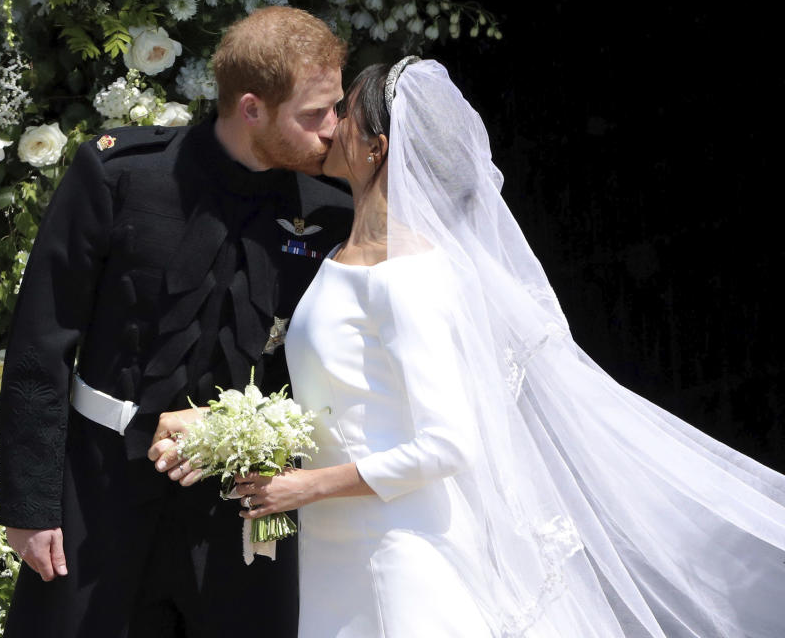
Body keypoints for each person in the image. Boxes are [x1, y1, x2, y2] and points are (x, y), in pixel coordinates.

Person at [228, 58, 785, 637]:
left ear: (377, 147)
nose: (331, 123)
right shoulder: (346, 257)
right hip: (339, 550)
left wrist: (308, 485)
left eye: (345, 114)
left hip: (400, 554)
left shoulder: (407, 272)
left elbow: (447, 444)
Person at [0, 6, 352, 638]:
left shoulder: (330, 212)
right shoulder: (121, 175)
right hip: (100, 491)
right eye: (313, 114)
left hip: (244, 506)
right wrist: (29, 504)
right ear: (251, 108)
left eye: (336, 107)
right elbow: (40, 344)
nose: (333, 130)